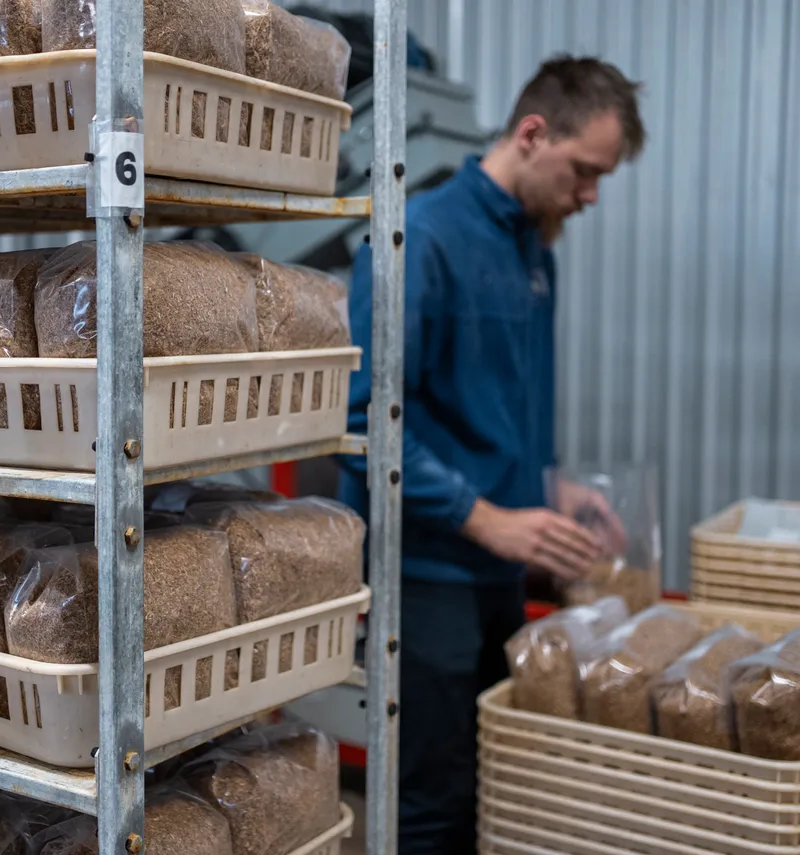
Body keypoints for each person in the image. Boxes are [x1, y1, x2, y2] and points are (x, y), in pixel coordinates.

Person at [337, 55, 647, 853]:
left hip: (496, 572)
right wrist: (483, 516)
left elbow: (497, 404)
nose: (590, 197)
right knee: (431, 802)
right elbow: (362, 416)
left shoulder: (534, 248)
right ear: (533, 133)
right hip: (428, 575)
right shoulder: (420, 238)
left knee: (494, 782)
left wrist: (552, 488)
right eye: (583, 173)